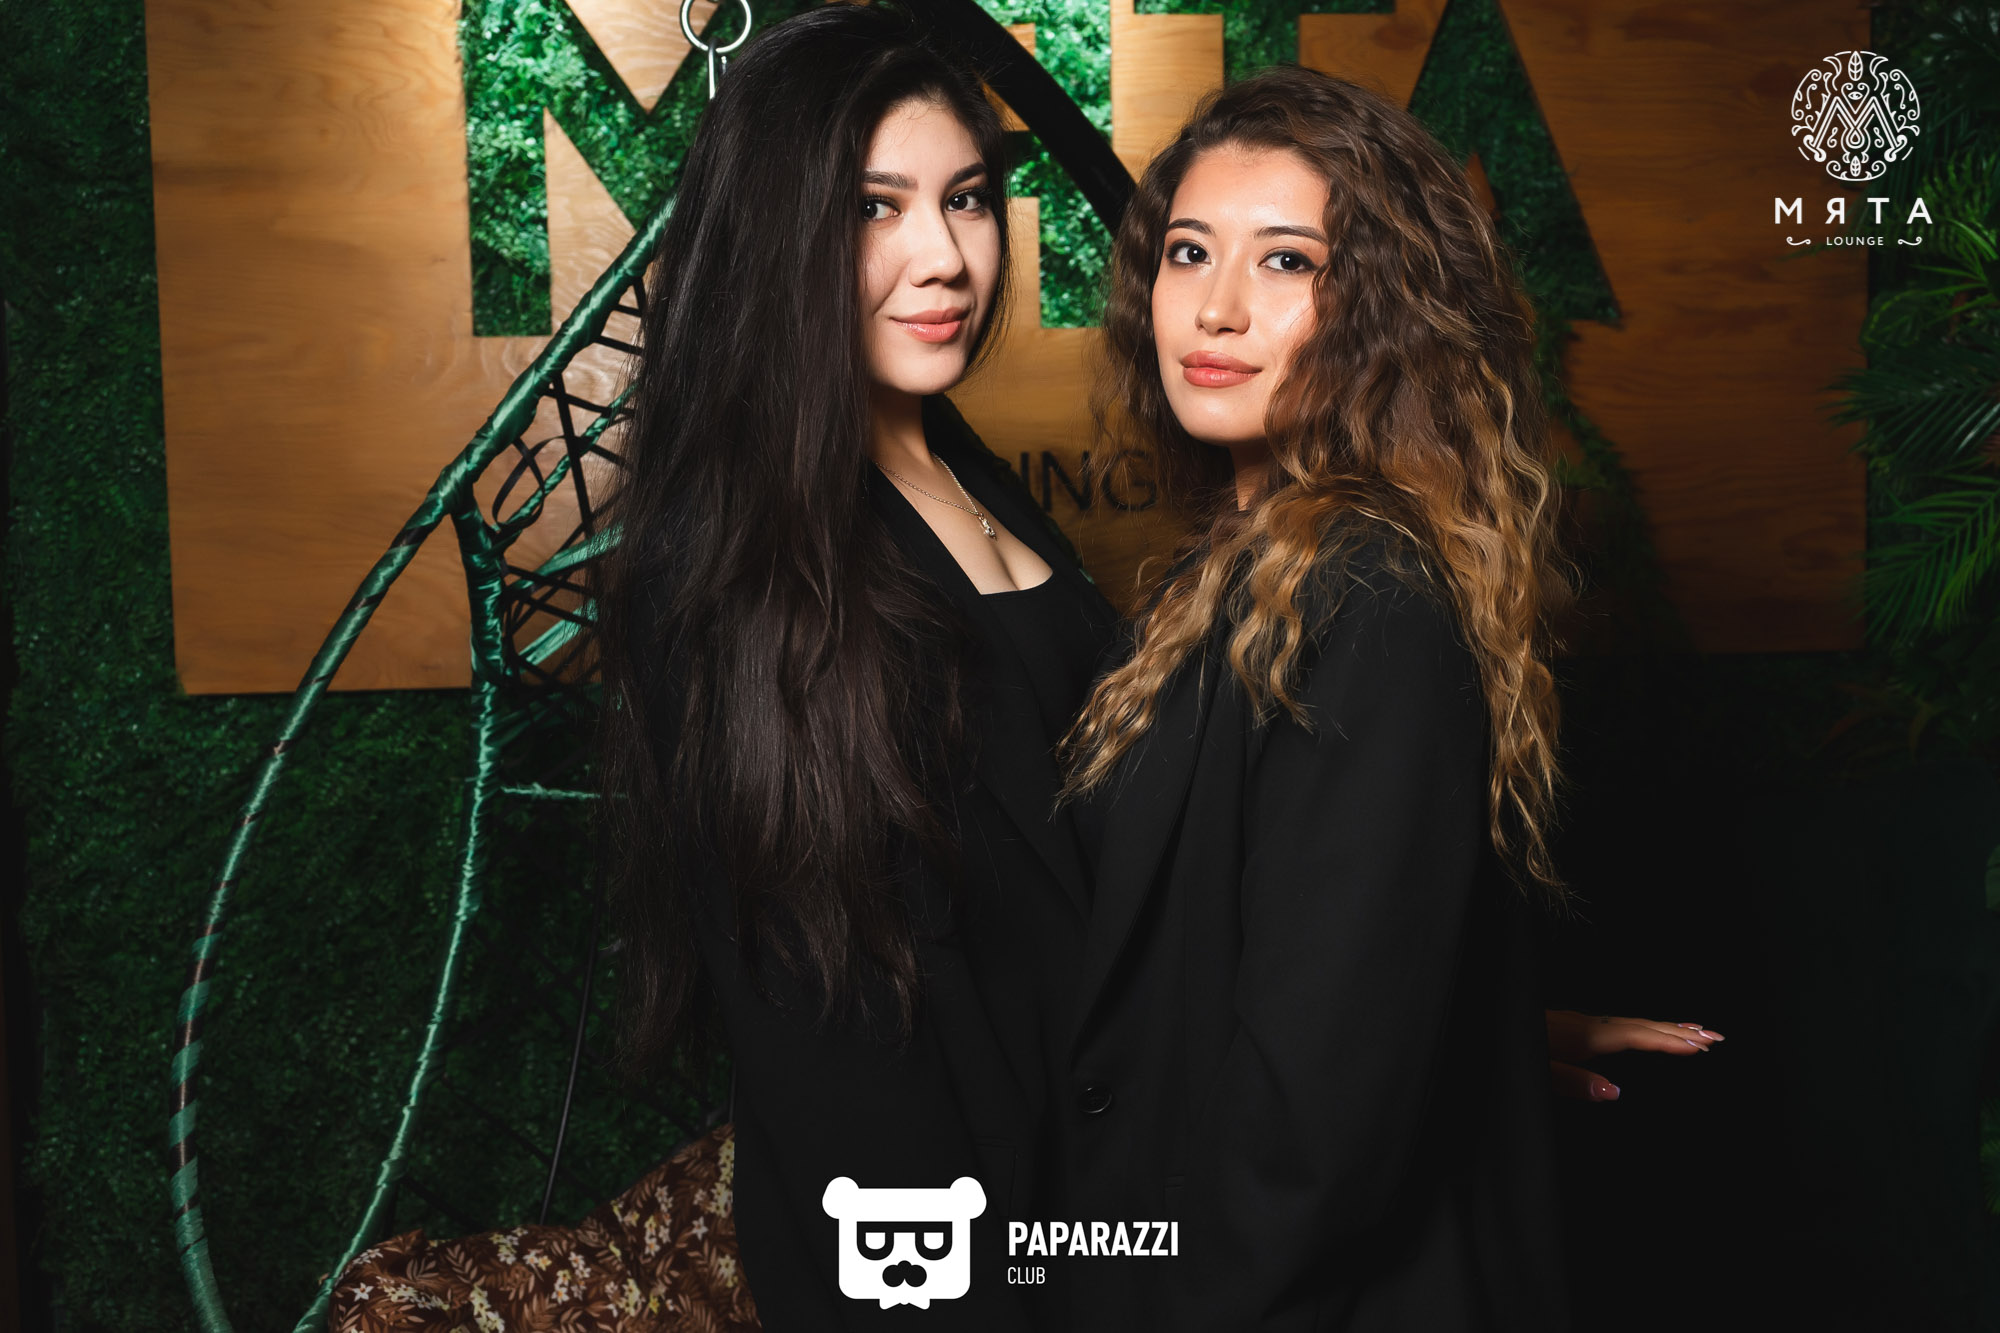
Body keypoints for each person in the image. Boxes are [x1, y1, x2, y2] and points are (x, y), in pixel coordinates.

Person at [590, 4, 1115, 1329]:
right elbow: (833, 1056)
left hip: (1103, 1200)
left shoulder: (960, 467)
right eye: (874, 207)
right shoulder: (738, 573)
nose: (944, 257)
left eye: (966, 199)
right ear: (777, 232)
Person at [1055, 66, 1587, 1329]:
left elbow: (1313, 1126)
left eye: (1287, 262)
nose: (1217, 306)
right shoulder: (1233, 570)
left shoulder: (1368, 600)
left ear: (1383, 311)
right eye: (1189, 251)